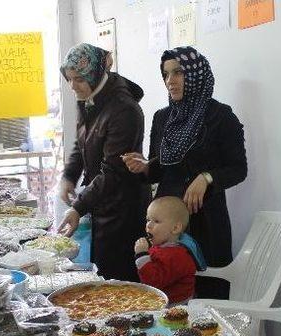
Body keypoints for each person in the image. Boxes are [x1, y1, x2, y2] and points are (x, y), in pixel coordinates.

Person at [123, 46, 247, 299]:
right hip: (166, 223)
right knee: (164, 290)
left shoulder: (220, 116)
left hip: (206, 221)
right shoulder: (162, 117)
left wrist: (206, 177)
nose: (171, 81)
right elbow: (161, 169)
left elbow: (238, 169)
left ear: (195, 74)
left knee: (207, 294)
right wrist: (145, 167)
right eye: (166, 74)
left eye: (178, 72)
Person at [58, 43, 150, 281]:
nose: (72, 86)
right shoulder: (89, 96)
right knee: (102, 273)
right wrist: (69, 176)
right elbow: (82, 142)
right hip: (101, 202)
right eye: (69, 79)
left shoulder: (124, 110)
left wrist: (78, 207)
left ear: (95, 74)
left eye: (78, 79)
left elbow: (113, 171)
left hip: (123, 209)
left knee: (119, 280)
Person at [134, 196, 199, 304]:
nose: (148, 225)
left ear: (175, 228)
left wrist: (142, 256)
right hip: (160, 300)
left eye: (156, 221)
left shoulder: (177, 256)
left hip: (174, 308)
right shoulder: (163, 246)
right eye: (148, 220)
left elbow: (153, 282)